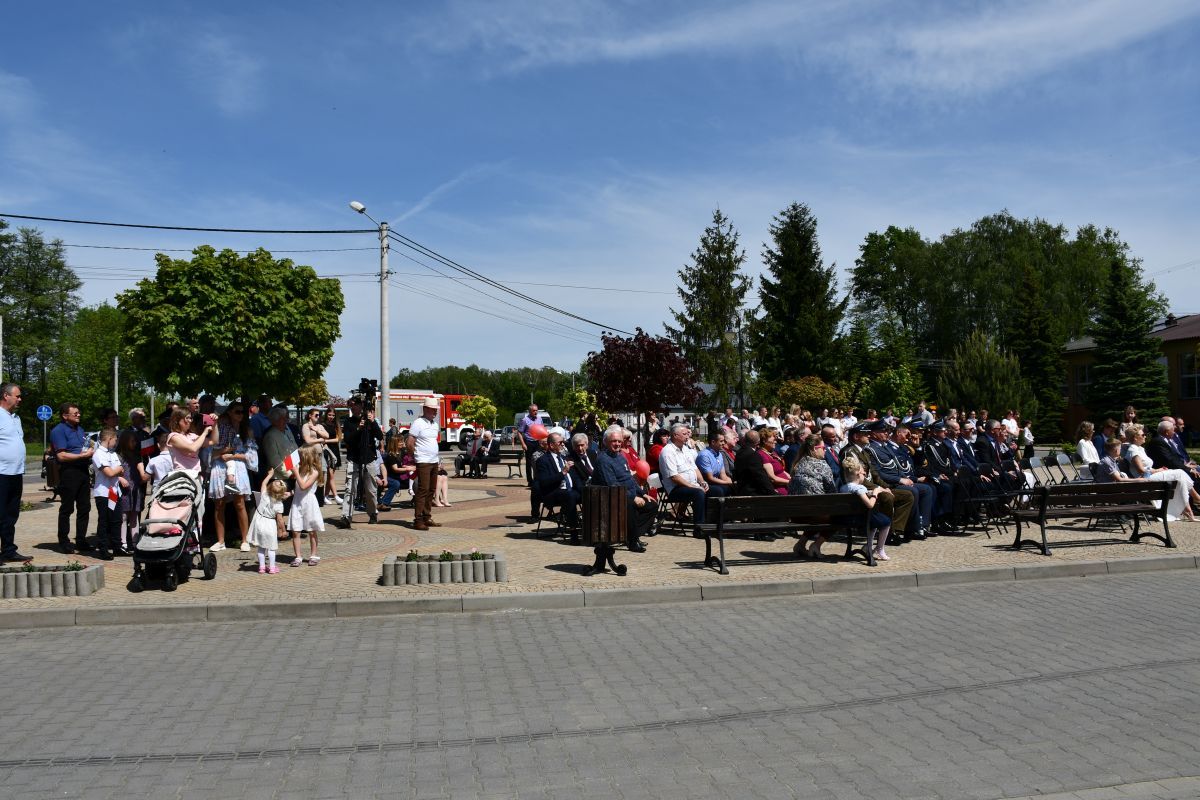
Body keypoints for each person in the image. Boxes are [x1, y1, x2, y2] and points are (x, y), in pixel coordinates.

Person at [590, 425, 654, 551]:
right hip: (610, 496)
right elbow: (612, 485)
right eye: (614, 441)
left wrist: (642, 493)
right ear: (606, 442)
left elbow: (629, 479)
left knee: (652, 505)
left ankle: (631, 535)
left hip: (625, 493)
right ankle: (632, 541)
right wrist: (633, 497)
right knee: (630, 505)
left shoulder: (620, 457)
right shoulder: (603, 460)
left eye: (619, 441)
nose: (618, 444)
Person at [1126, 424, 1198, 521]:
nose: (1145, 436)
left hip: (1150, 476)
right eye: (1143, 435)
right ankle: (1196, 498)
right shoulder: (1133, 450)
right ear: (1135, 437)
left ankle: (1189, 510)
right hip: (1144, 479)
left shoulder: (1140, 449)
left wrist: (1159, 470)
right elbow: (1141, 470)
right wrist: (1157, 470)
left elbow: (1146, 468)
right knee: (1179, 473)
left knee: (1180, 478)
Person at [50, 402, 94, 554]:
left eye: (79, 412)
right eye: (75, 413)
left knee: (85, 507)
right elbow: (61, 456)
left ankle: (81, 540)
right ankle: (64, 542)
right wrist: (82, 455)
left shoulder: (80, 429)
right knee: (67, 508)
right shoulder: (58, 431)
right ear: (65, 416)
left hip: (83, 471)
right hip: (69, 472)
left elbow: (85, 447)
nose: (79, 415)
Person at [207, 404, 251, 552]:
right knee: (219, 504)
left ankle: (245, 540)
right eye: (237, 412)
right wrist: (223, 452)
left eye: (243, 412)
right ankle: (220, 541)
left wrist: (233, 455)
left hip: (237, 466)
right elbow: (212, 451)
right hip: (220, 466)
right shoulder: (222, 428)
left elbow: (251, 455)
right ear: (230, 413)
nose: (241, 414)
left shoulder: (246, 430)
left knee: (240, 503)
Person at [788, 435, 838, 559]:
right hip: (815, 514)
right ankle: (816, 545)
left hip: (796, 515)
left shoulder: (797, 464)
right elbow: (832, 492)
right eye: (823, 448)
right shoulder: (822, 465)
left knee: (817, 511)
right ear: (815, 449)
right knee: (840, 516)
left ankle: (801, 544)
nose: (825, 450)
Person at [841, 455, 893, 562]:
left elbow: (859, 495)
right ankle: (879, 549)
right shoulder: (860, 488)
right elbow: (870, 505)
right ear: (857, 474)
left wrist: (869, 493)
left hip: (847, 518)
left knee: (874, 519)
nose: (864, 474)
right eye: (863, 473)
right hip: (860, 519)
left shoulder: (843, 487)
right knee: (886, 521)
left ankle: (868, 547)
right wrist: (875, 493)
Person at [0, 383, 30, 564]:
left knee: (11, 514)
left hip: (16, 473)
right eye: (17, 396)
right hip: (1, 473)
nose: (20, 399)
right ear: (6, 396)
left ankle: (8, 550)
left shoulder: (15, 418)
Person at [341, 399, 383, 524]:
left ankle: (373, 513)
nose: (352, 408)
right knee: (350, 488)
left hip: (369, 458)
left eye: (354, 405)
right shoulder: (348, 421)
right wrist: (358, 429)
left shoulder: (370, 421)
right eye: (350, 406)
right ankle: (346, 516)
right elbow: (347, 440)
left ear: (361, 406)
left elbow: (380, 436)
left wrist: (373, 422)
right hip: (354, 458)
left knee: (371, 489)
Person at [658, 423, 708, 528]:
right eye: (684, 434)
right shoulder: (667, 452)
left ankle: (714, 522)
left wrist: (702, 482)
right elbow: (674, 477)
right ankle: (700, 528)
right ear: (675, 435)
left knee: (717, 490)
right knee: (698, 493)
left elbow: (695, 468)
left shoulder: (685, 449)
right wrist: (694, 487)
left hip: (692, 485)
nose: (687, 436)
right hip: (676, 489)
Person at [532, 432, 580, 531]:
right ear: (551, 445)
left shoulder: (564, 458)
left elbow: (575, 478)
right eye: (560, 443)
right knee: (570, 495)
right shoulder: (543, 460)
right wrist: (563, 472)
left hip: (570, 491)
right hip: (553, 493)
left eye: (563, 442)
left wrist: (583, 488)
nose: (563, 445)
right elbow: (544, 482)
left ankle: (590, 527)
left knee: (591, 493)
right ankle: (573, 530)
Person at [287, 445, 325, 565]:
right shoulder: (300, 469)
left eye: (300, 456)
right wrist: (290, 493)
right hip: (297, 502)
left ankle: (313, 555)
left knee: (311, 530)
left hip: (309, 503)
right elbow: (298, 488)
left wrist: (296, 473)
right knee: (296, 531)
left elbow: (304, 486)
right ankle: (298, 557)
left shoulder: (314, 472)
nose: (298, 458)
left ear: (307, 457)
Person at [408, 398, 442, 531]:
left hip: (434, 461)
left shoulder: (435, 424)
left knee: (431, 489)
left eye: (436, 410)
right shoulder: (418, 423)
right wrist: (415, 457)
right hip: (423, 461)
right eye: (433, 410)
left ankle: (427, 517)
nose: (435, 412)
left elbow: (433, 442)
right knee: (423, 489)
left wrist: (438, 460)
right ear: (425, 409)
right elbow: (410, 442)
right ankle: (418, 520)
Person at [90, 428, 124, 561]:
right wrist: (118, 469)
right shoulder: (98, 454)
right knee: (104, 521)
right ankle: (103, 549)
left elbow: (119, 471)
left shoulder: (112, 454)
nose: (116, 443)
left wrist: (117, 470)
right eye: (115, 440)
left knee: (116, 520)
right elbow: (109, 473)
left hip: (114, 491)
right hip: (103, 492)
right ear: (109, 439)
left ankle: (117, 547)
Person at [115, 430, 149, 555]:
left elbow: (141, 470)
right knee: (123, 516)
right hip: (123, 489)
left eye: (135, 441)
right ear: (125, 441)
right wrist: (120, 478)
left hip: (135, 488)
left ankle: (135, 543)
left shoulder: (137, 456)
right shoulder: (118, 456)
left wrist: (143, 474)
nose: (135, 443)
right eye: (132, 441)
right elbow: (113, 472)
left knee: (134, 515)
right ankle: (123, 543)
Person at [248, 474, 288, 574]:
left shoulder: (264, 495)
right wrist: (283, 530)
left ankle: (261, 567)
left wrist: (269, 475)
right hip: (270, 524)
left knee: (261, 547)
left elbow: (263, 483)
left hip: (259, 523)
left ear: (269, 488)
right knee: (271, 548)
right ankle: (272, 567)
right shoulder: (279, 504)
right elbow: (280, 520)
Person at [166, 407, 216, 476]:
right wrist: (204, 433)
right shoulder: (173, 436)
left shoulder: (192, 435)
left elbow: (213, 441)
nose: (190, 421)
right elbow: (192, 449)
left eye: (191, 418)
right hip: (183, 475)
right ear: (177, 420)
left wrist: (215, 423)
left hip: (196, 474)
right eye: (187, 418)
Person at [734, 429, 776, 496]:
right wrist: (772, 492)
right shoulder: (753, 455)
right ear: (758, 442)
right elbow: (760, 476)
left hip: (741, 490)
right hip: (753, 492)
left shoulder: (739, 452)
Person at [379, 437, 417, 509]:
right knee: (396, 483)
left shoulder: (401, 452)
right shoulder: (391, 455)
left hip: (399, 476)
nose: (402, 443)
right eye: (400, 442)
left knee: (416, 480)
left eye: (402, 441)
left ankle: (416, 500)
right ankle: (384, 503)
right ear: (394, 444)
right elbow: (396, 469)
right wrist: (408, 468)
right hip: (390, 476)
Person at [696, 431, 733, 497]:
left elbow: (723, 475)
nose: (724, 443)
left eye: (724, 441)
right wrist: (727, 482)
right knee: (719, 490)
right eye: (721, 441)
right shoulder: (704, 455)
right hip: (705, 484)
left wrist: (731, 483)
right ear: (713, 442)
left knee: (733, 488)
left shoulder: (719, 454)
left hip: (715, 482)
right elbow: (710, 478)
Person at [516, 404, 542, 487]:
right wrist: (523, 444)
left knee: (539, 461)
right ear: (530, 411)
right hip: (529, 442)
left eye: (536, 410)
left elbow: (541, 429)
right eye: (534, 411)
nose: (536, 412)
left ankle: (538, 479)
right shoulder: (525, 420)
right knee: (529, 462)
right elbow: (519, 432)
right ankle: (530, 481)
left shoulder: (539, 419)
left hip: (537, 442)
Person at [758, 428, 790, 495]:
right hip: (778, 491)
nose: (776, 442)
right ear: (764, 441)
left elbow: (782, 471)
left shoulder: (772, 452)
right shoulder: (762, 455)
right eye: (774, 440)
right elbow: (772, 478)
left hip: (787, 487)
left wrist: (791, 478)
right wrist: (790, 482)